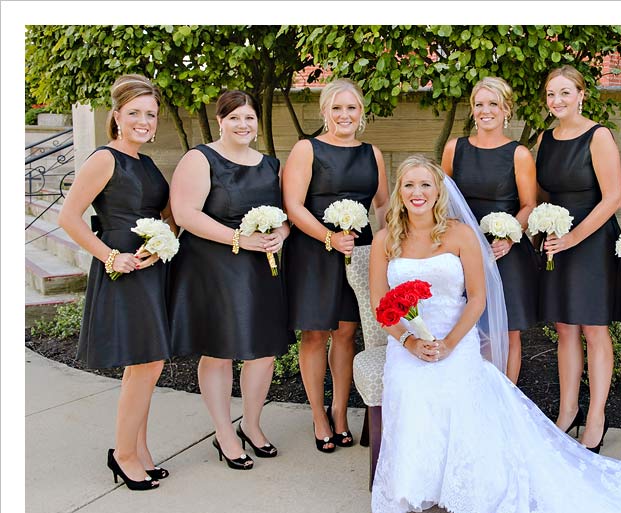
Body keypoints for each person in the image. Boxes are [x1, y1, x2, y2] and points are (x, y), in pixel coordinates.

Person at [369, 155, 621, 513]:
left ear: (439, 192)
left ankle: (467, 487)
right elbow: (380, 303)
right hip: (408, 345)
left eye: (425, 185)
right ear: (399, 192)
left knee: (456, 392)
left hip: (456, 340)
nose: (417, 193)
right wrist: (410, 341)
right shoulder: (386, 239)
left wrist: (449, 343)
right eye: (409, 185)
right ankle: (422, 485)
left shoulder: (460, 235)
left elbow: (478, 300)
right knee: (409, 388)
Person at [58, 74, 171, 490]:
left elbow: (163, 213)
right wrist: (110, 256)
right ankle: (123, 455)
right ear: (117, 116)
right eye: (136, 113)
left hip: (150, 266)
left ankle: (137, 449)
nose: (144, 121)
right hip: (123, 269)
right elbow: (68, 218)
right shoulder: (105, 159)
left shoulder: (146, 161)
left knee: (146, 362)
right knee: (145, 363)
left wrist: (163, 242)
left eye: (151, 114)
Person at [168, 90, 291, 470]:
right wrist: (240, 239)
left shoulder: (271, 165)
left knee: (263, 351)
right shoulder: (200, 158)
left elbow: (285, 216)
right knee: (219, 350)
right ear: (220, 120)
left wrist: (280, 235)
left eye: (249, 117)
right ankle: (224, 433)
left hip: (260, 267)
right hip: (211, 266)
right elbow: (185, 214)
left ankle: (252, 425)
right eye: (234, 117)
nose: (243, 124)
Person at [282, 78, 388, 453]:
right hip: (313, 253)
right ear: (325, 111)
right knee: (315, 335)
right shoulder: (307, 149)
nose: (345, 115)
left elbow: (382, 207)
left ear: (361, 113)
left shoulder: (371, 153)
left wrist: (388, 247)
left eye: (352, 108)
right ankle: (318, 416)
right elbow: (293, 206)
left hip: (359, 254)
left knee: (346, 334)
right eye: (337, 108)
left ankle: (340, 412)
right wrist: (328, 238)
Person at [534, 66, 621, 451]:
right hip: (557, 241)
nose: (557, 100)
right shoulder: (545, 138)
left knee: (593, 329)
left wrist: (573, 237)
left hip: (591, 244)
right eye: (551, 94)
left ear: (581, 94)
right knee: (564, 329)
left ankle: (596, 417)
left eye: (565, 93)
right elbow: (542, 193)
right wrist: (545, 227)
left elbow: (614, 198)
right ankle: (568, 410)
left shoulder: (599, 135)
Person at [441, 76, 539, 384]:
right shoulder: (454, 148)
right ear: (472, 109)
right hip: (462, 250)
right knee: (468, 326)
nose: (486, 111)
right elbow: (442, 201)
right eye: (479, 104)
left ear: (506, 109)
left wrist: (508, 236)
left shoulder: (518, 154)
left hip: (504, 253)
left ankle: (505, 399)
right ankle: (474, 396)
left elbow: (529, 205)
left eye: (493, 104)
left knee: (506, 331)